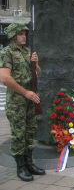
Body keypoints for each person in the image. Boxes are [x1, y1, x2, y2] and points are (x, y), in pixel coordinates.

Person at [0, 23, 45, 182]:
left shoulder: (27, 52)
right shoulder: (7, 53)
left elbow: (39, 73)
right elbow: (5, 78)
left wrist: (36, 63)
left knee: (30, 132)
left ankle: (29, 163)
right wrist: (25, 92)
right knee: (19, 134)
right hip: (17, 101)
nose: (23, 36)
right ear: (13, 36)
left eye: (24, 33)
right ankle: (21, 167)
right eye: (20, 34)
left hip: (30, 100)